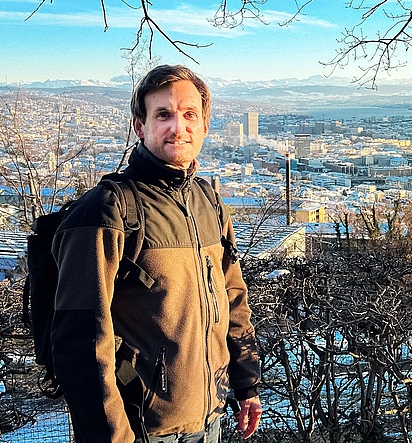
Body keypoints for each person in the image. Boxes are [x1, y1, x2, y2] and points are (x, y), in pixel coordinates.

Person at [50, 64, 262, 443]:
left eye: (189, 114)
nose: (177, 128)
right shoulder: (106, 213)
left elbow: (232, 298)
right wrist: (112, 436)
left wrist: (246, 384)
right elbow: (79, 342)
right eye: (163, 114)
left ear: (204, 126)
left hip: (210, 416)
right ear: (140, 126)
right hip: (143, 429)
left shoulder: (209, 203)